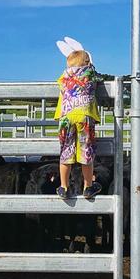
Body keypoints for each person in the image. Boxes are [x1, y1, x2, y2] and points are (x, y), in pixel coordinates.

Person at [54, 36, 103, 199]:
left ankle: (63, 187)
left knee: (66, 152)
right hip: (84, 117)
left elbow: (60, 86)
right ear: (87, 63)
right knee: (86, 152)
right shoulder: (90, 73)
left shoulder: (63, 76)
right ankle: (88, 187)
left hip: (66, 118)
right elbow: (98, 78)